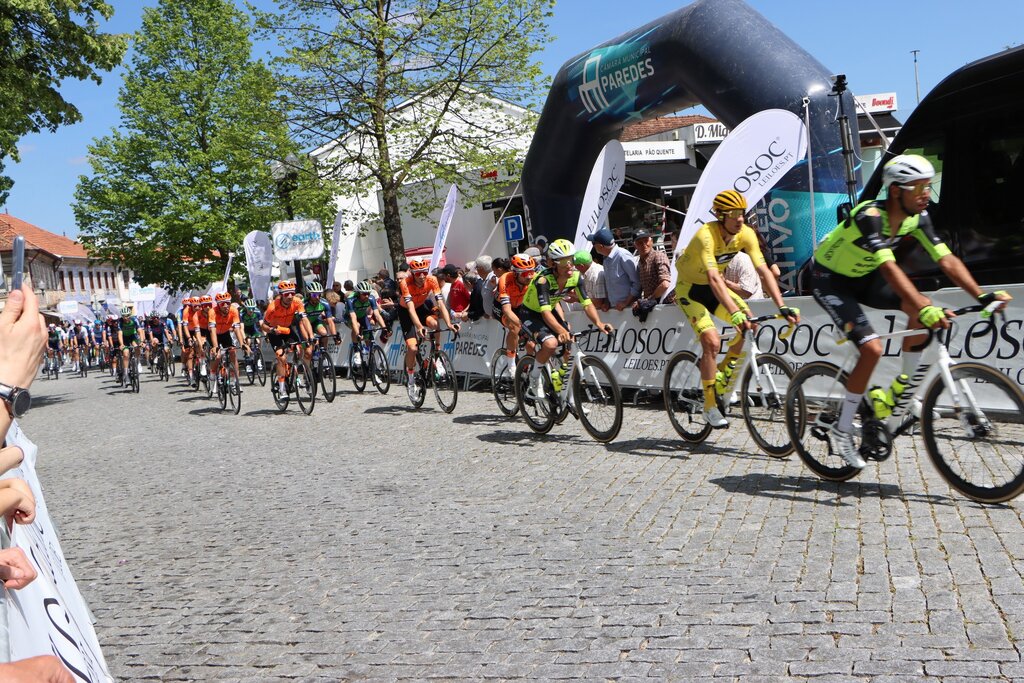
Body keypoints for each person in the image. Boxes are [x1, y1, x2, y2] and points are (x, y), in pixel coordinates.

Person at [808, 153, 1011, 467]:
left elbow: (946, 259)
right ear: (896, 191)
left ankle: (901, 390)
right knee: (872, 349)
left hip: (864, 277)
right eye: (917, 188)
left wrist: (982, 296)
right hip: (830, 280)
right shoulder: (870, 215)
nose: (925, 194)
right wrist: (921, 305)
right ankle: (842, 429)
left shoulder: (919, 217)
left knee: (923, 307)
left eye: (927, 186)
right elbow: (889, 268)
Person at [674, 189, 799, 430]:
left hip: (714, 287)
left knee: (750, 324)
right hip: (691, 290)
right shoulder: (705, 236)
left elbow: (764, 271)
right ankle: (709, 406)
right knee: (711, 342)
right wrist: (733, 312)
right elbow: (713, 278)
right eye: (733, 214)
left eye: (742, 213)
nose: (740, 219)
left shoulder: (746, 234)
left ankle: (722, 377)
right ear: (720, 216)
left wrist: (781, 306)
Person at [517, 239, 615, 395]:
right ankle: (534, 378)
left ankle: (568, 397)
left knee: (569, 352)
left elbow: (587, 303)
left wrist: (599, 323)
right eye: (563, 261)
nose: (569, 264)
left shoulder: (576, 277)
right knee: (550, 344)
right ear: (553, 264)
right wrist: (560, 330)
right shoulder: (543, 280)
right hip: (531, 313)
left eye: (571, 259)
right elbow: (545, 312)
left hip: (550, 311)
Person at [397, 259, 460, 400]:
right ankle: (411, 379)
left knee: (435, 324)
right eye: (418, 273)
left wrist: (449, 324)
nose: (422, 276)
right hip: (406, 311)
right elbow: (410, 308)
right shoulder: (405, 283)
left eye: (424, 272)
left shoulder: (432, 280)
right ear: (412, 274)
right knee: (412, 349)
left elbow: (440, 303)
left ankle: (436, 354)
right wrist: (419, 327)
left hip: (421, 307)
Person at [259, 281, 310, 397]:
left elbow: (304, 319)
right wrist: (271, 330)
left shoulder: (297, 302)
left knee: (300, 347)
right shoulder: (272, 307)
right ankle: (282, 388)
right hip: (274, 332)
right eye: (287, 294)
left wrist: (310, 337)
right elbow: (263, 325)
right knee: (281, 357)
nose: (290, 296)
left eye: (292, 293)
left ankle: (293, 368)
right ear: (281, 295)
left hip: (287, 330)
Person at [588, 226, 640, 311]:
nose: (593, 246)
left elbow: (637, 282)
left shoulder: (622, 256)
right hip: (616, 310)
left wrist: (626, 303)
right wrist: (607, 302)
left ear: (600, 246)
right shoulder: (606, 258)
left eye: (593, 243)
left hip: (629, 309)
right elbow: (610, 284)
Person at [346, 281, 388, 365]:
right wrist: (357, 333)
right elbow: (353, 318)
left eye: (368, 293)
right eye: (364, 294)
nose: (367, 296)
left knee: (369, 338)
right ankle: (356, 351)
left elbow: (377, 315)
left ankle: (371, 366)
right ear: (358, 293)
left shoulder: (371, 298)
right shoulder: (351, 300)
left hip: (362, 316)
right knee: (357, 326)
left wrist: (384, 328)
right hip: (350, 317)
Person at [633, 229, 674, 314]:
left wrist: (648, 300)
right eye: (640, 243)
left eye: (646, 241)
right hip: (655, 308)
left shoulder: (658, 256)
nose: (644, 245)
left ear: (651, 241)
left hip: (667, 306)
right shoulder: (640, 262)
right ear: (635, 245)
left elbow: (665, 284)